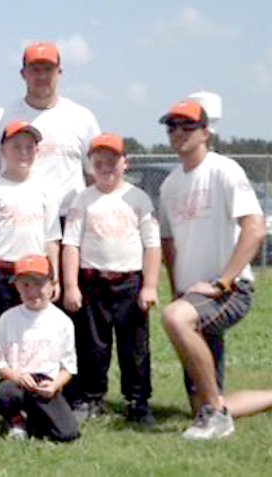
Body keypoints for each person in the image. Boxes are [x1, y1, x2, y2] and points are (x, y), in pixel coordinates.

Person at [157, 99, 265, 439]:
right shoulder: (169, 185)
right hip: (192, 295)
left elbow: (255, 228)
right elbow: (169, 244)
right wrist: (178, 290)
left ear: (205, 132)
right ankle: (216, 407)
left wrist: (224, 280)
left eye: (187, 126)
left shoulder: (224, 170)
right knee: (201, 402)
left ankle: (217, 417)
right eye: (172, 127)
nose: (178, 133)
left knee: (175, 317)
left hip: (228, 289)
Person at [62, 133, 160, 426]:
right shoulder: (84, 199)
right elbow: (71, 244)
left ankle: (137, 400)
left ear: (125, 163)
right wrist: (71, 286)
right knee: (93, 345)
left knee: (135, 347)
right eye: (99, 162)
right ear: (90, 166)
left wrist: (150, 286)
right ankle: (92, 397)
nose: (106, 167)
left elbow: (152, 244)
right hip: (93, 281)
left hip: (130, 282)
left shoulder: (137, 198)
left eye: (112, 161)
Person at [0, 121, 61, 396]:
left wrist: (54, 276)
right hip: (0, 268)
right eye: (16, 146)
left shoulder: (46, 188)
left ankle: (33, 387)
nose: (23, 152)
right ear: (2, 150)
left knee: (31, 331)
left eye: (29, 147)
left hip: (35, 273)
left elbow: (51, 237)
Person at [0, 41, 100, 222]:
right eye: (35, 69)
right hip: (18, 219)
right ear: (23, 74)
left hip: (68, 218)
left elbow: (93, 175)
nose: (42, 75)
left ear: (59, 73)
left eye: (48, 69)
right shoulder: (1, 117)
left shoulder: (82, 117)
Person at [0, 254, 79, 442]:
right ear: (16, 287)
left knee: (66, 434)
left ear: (52, 284)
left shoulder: (62, 322)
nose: (32, 291)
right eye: (25, 285)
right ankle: (15, 420)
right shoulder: (8, 319)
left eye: (39, 284)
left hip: (46, 385)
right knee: (4, 394)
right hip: (17, 381)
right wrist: (18, 377)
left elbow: (69, 368)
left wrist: (55, 385)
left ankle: (35, 420)